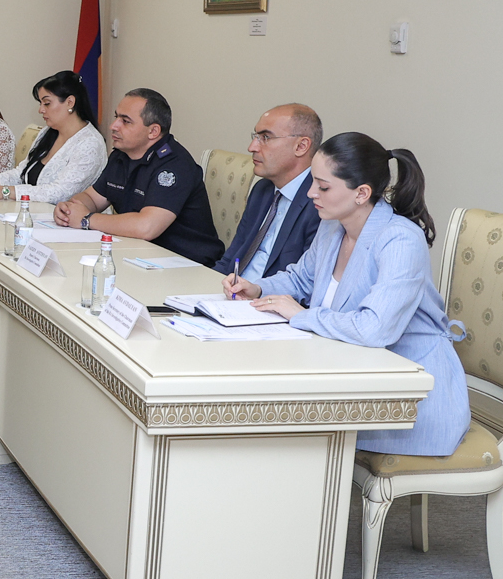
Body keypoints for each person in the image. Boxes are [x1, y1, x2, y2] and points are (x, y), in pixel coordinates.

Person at [225, 133, 468, 457]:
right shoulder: (333, 225)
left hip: (409, 400)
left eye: (323, 187)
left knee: (275, 431)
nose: (311, 193)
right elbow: (302, 278)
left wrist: (301, 315)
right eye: (313, 181)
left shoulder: (400, 240)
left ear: (361, 193)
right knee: (264, 421)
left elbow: (375, 328)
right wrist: (258, 288)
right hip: (347, 371)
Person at [53, 88, 225, 264]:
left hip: (186, 262)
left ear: (153, 131)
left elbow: (146, 227)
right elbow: (93, 198)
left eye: (125, 121)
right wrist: (71, 209)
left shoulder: (175, 165)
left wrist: (87, 219)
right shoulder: (121, 156)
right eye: (116, 117)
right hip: (140, 254)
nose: (114, 126)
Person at [215, 104, 323, 283]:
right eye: (255, 137)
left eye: (265, 137)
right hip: (231, 292)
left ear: (301, 146)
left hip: (270, 296)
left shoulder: (320, 202)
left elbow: (307, 284)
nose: (252, 147)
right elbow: (230, 258)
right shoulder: (262, 189)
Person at [0, 70, 106, 203]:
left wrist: (5, 191)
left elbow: (60, 193)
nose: (41, 110)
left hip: (65, 217)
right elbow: (22, 172)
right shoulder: (47, 133)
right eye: (41, 103)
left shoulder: (90, 143)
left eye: (47, 103)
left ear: (70, 102)